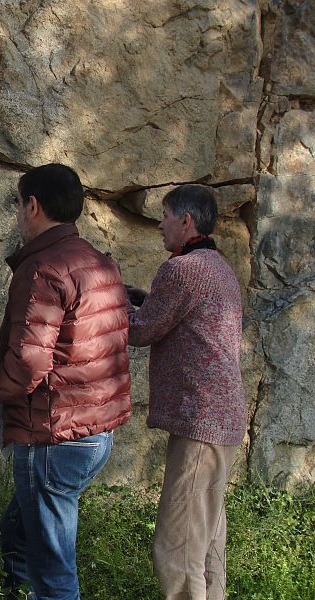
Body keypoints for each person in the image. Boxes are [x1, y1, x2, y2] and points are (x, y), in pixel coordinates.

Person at [0, 163, 131, 600]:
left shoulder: (45, 268)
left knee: (54, 572)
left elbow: (27, 366)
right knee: (21, 530)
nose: (16, 215)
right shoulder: (97, 260)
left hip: (54, 435)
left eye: (18, 204)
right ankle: (15, 589)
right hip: (94, 432)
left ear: (32, 205)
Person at [126, 184, 246, 600]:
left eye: (164, 215)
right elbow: (180, 316)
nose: (160, 224)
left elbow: (141, 330)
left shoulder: (182, 269)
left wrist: (107, 302)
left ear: (186, 221)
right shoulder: (218, 266)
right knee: (206, 542)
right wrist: (145, 301)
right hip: (222, 419)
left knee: (176, 548)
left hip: (201, 420)